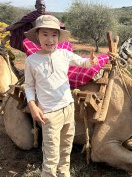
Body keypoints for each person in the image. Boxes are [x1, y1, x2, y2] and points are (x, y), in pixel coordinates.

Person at [24, 15, 98, 177]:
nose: (50, 39)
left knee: (65, 149)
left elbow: (82, 62)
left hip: (68, 108)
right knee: (51, 156)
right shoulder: (32, 60)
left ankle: (64, 174)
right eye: (45, 34)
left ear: (58, 37)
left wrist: (90, 61)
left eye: (54, 35)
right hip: (49, 114)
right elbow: (28, 86)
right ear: (37, 36)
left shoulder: (64, 54)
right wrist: (33, 106)